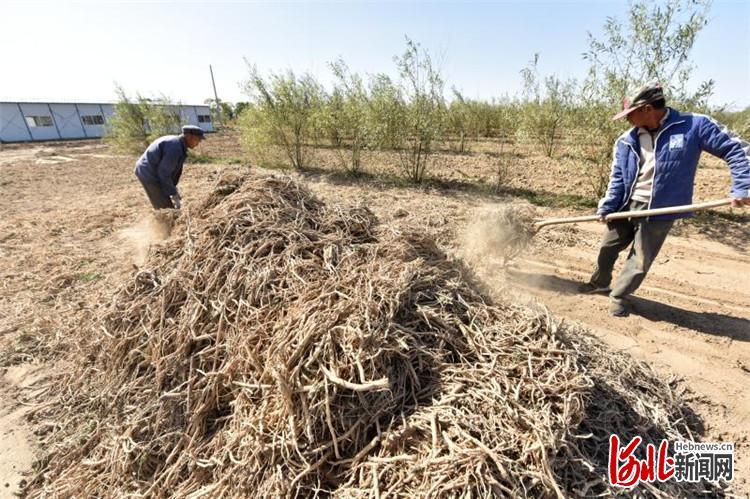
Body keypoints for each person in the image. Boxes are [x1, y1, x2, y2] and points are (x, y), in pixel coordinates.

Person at [578, 81, 750, 317]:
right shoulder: (626, 140)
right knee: (608, 247)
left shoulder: (694, 126)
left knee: (640, 259)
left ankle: (619, 296)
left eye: (630, 114)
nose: (627, 120)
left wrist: (743, 185)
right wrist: (607, 206)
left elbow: (736, 149)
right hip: (627, 205)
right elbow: (618, 177)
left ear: (647, 109)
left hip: (660, 209)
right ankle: (600, 282)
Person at [134, 125, 205, 210]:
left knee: (166, 204)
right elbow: (164, 172)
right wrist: (173, 193)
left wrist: (172, 189)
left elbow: (170, 171)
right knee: (165, 208)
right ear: (189, 136)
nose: (198, 144)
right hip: (148, 173)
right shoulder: (175, 147)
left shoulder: (178, 144)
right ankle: (161, 222)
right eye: (197, 140)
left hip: (151, 171)